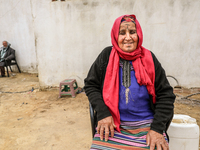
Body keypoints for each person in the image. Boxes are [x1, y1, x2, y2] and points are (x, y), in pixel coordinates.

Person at [84, 14, 175, 150]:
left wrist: (156, 129)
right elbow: (91, 85)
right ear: (115, 36)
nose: (128, 37)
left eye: (132, 32)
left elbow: (166, 95)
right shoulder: (106, 56)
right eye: (122, 33)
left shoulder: (149, 58)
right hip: (113, 125)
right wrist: (103, 114)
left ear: (138, 35)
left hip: (147, 125)